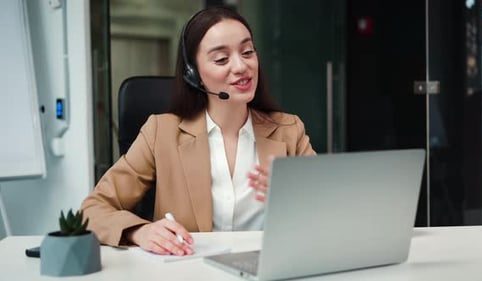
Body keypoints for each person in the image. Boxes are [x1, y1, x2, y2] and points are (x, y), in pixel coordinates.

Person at [80, 6, 315, 256]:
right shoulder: (161, 132)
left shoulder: (289, 131)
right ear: (194, 75)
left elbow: (330, 210)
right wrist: (139, 232)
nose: (241, 66)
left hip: (267, 268)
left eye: (247, 52)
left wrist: (293, 199)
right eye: (222, 59)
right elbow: (92, 210)